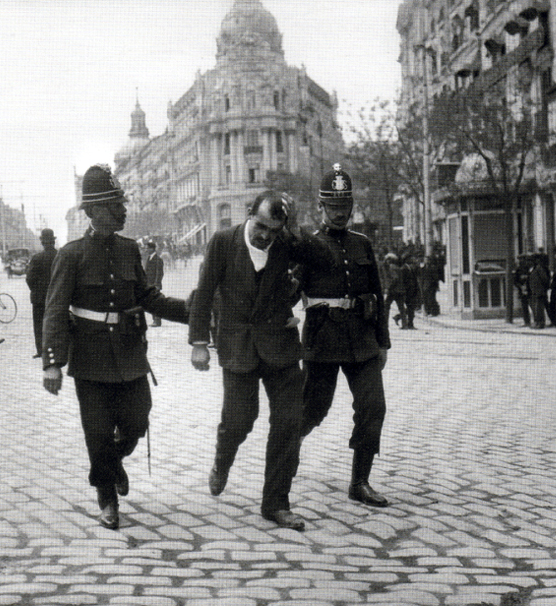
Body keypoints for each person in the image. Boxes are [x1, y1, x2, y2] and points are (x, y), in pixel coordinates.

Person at [42, 164, 188, 530]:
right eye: (112, 205)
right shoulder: (71, 255)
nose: (122, 210)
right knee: (97, 431)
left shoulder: (129, 249)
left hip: (129, 354)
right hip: (89, 360)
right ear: (92, 211)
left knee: (138, 420)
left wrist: (194, 313)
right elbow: (56, 310)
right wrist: (52, 363)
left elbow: (147, 296)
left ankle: (113, 461)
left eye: (120, 202)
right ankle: (106, 496)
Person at [190, 190, 322, 531]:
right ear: (250, 214)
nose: (265, 236)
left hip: (279, 345)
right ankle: (223, 459)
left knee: (288, 423)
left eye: (274, 230)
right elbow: (204, 293)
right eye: (261, 226)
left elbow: (322, 257)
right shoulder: (222, 241)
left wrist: (292, 233)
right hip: (238, 347)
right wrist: (199, 343)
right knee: (239, 421)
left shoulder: (284, 245)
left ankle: (275, 503)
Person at [296, 164, 391, 507]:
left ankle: (360, 481)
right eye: (332, 208)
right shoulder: (309, 246)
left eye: (344, 207)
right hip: (322, 341)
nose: (339, 214)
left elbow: (377, 296)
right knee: (313, 409)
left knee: (373, 407)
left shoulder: (362, 245)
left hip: (362, 341)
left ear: (351, 208)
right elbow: (290, 292)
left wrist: (382, 342)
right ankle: (288, 452)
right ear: (320, 208)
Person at [26, 228, 57, 358]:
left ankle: (41, 351)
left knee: (39, 325)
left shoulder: (37, 258)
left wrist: (37, 290)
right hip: (57, 297)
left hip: (39, 298)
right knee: (56, 324)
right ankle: (56, 350)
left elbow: (29, 278)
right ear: (53, 242)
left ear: (42, 242)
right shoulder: (60, 256)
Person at [527, 252, 550, 329]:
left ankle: (540, 323)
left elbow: (545, 279)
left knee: (539, 308)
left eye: (533, 260)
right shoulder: (534, 268)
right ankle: (537, 322)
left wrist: (543, 288)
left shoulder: (539, 268)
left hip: (539, 291)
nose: (531, 262)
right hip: (535, 291)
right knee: (536, 308)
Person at [144, 241, 164, 326]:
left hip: (154, 285)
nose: (146, 250)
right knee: (152, 302)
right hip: (149, 284)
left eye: (147, 248)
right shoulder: (149, 258)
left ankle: (157, 320)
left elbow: (159, 273)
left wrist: (157, 284)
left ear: (152, 249)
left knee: (156, 302)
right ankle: (154, 319)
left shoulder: (158, 259)